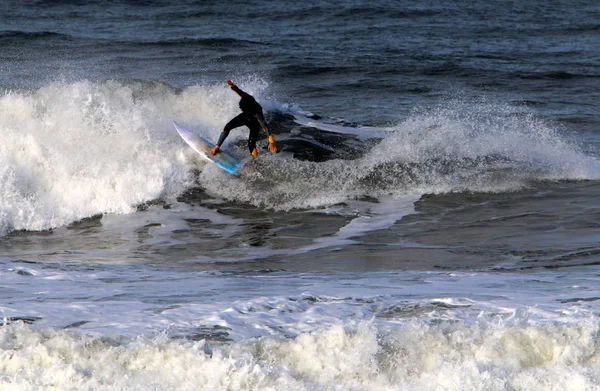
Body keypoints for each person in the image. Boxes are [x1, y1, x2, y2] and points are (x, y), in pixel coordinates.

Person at [209, 80, 277, 157]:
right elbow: (238, 90)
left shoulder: (258, 113)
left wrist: (271, 142)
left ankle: (255, 160)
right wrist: (232, 85)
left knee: (251, 144)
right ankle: (217, 147)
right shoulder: (247, 97)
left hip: (254, 122)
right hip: (245, 116)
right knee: (227, 127)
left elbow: (265, 127)